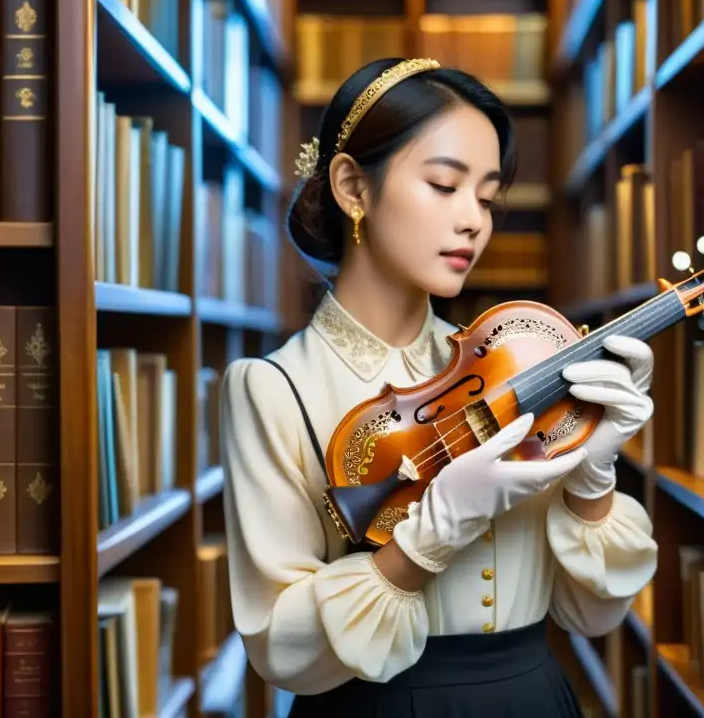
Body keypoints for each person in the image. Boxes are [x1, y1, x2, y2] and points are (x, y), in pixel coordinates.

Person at [219, 57, 658, 717]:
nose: (474, 221)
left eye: (485, 197)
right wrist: (429, 536)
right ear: (351, 187)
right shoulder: (274, 386)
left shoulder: (515, 362)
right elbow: (281, 649)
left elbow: (590, 616)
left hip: (534, 698)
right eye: (444, 185)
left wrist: (593, 481)